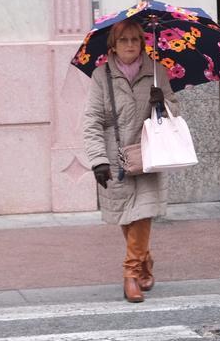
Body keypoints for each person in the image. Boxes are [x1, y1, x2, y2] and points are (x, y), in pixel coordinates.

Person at [82, 20, 178, 303]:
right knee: (127, 216)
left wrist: (163, 103)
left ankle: (130, 275)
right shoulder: (102, 75)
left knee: (142, 214)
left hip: (149, 154)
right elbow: (93, 121)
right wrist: (99, 160)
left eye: (136, 39)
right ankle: (145, 260)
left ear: (143, 42)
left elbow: (175, 111)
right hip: (115, 158)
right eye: (124, 40)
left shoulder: (157, 71)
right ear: (113, 45)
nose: (130, 45)